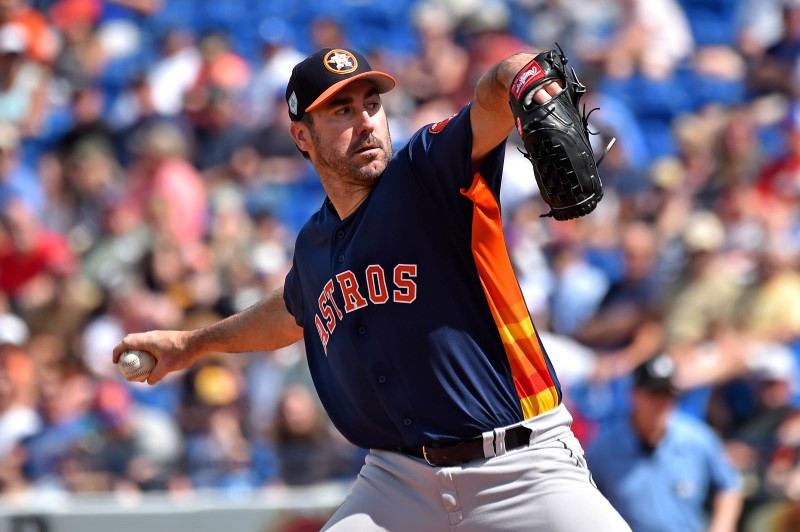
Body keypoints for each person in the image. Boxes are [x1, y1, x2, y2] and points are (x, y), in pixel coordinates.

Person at [113, 46, 631, 531]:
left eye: (372, 104)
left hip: (521, 467)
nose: (364, 121)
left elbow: (496, 88)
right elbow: (295, 311)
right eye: (340, 111)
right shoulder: (315, 244)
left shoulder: (427, 171)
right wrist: (191, 344)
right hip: (400, 481)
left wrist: (525, 76)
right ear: (301, 137)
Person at [586, 354, 743, 532]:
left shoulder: (697, 439)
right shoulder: (603, 449)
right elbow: (584, 502)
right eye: (654, 394)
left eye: (668, 395)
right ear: (634, 395)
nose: (662, 403)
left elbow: (729, 485)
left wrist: (721, 527)